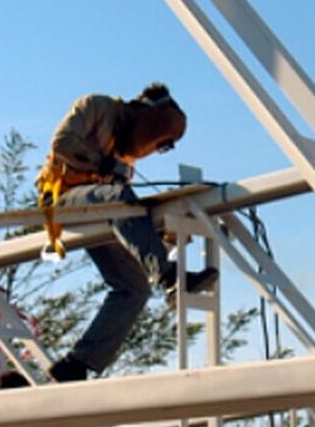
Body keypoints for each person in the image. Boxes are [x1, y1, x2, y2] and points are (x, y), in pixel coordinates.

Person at [38, 83, 218, 383]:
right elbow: (62, 144)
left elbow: (126, 213)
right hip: (64, 199)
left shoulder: (124, 152)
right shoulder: (95, 107)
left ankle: (77, 363)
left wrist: (164, 234)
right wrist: (103, 163)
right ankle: (170, 276)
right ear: (140, 112)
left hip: (101, 211)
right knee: (119, 198)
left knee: (134, 288)